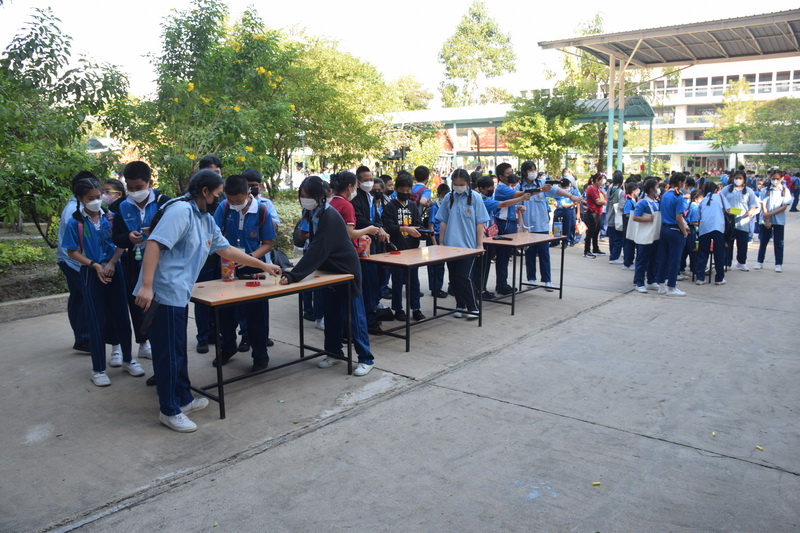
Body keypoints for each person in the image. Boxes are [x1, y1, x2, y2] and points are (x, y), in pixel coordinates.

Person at [134, 170, 280, 433]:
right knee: (168, 354)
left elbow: (226, 249)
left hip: (178, 293)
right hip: (162, 293)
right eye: (217, 194)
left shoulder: (205, 218)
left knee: (178, 351)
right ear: (204, 192)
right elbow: (154, 244)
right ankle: (169, 410)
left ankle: (184, 399)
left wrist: (262, 265)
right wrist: (146, 286)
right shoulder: (181, 211)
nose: (220, 200)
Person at [280, 176, 376, 377]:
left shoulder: (329, 216)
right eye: (302, 195)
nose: (304, 199)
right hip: (328, 271)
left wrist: (293, 275)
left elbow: (318, 249)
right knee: (331, 314)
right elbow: (313, 246)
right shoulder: (312, 212)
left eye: (308, 196)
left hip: (346, 270)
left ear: (320, 196)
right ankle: (333, 353)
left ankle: (366, 358)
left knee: (354, 316)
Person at [63, 177, 144, 387]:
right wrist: (94, 265)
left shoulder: (112, 217)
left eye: (98, 196)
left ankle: (128, 360)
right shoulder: (76, 222)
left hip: (115, 271)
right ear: (80, 198)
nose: (96, 201)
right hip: (91, 274)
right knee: (96, 320)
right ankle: (98, 369)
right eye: (90, 198)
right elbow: (71, 251)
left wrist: (113, 262)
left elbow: (122, 242)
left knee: (122, 317)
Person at [212, 174, 277, 372]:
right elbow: (214, 236)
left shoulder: (262, 210)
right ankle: (228, 347)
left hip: (253, 268)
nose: (234, 204)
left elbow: (267, 244)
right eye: (231, 200)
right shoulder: (223, 208)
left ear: (248, 193)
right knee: (225, 313)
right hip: (227, 266)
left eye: (238, 201)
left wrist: (249, 258)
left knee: (256, 316)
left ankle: (260, 356)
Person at [111, 161, 171, 364]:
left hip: (162, 265)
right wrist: (128, 237)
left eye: (139, 187)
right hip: (133, 265)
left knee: (160, 307)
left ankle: (159, 344)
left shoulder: (165, 203)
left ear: (150, 183)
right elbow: (116, 237)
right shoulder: (119, 207)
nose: (135, 192)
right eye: (130, 188)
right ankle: (144, 343)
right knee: (137, 305)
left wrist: (155, 233)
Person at [331, 170, 387, 334]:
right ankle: (361, 327)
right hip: (349, 253)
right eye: (357, 184)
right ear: (350, 186)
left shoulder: (332, 202)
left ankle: (345, 331)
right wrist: (368, 230)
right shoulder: (347, 205)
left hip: (336, 253)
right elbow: (350, 233)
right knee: (359, 291)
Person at [517, 161, 583, 290]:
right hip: (527, 227)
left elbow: (556, 190)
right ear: (524, 172)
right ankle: (531, 279)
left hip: (542, 226)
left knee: (544, 254)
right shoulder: (519, 187)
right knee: (530, 255)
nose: (533, 172)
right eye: (530, 170)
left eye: (534, 169)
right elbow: (514, 201)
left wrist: (571, 196)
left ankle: (547, 280)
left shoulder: (542, 184)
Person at [435, 169, 490, 318]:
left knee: (464, 276)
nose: (459, 187)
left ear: (468, 183)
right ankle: (460, 305)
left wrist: (479, 245)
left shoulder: (476, 197)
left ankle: (473, 307)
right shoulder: (449, 197)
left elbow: (480, 223)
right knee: (453, 277)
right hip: (450, 245)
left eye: (462, 184)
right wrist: (441, 242)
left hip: (468, 246)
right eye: (456, 184)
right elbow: (443, 221)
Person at [57, 172, 99, 353]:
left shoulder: (82, 208)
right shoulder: (73, 212)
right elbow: (75, 245)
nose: (96, 200)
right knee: (83, 298)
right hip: (74, 262)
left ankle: (83, 337)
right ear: (80, 194)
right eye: (91, 196)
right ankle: (84, 338)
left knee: (78, 298)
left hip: (75, 261)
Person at [382, 173, 425, 321]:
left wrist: (419, 231)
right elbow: (388, 226)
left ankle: (416, 308)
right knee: (398, 281)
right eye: (403, 190)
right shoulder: (390, 206)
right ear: (396, 189)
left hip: (412, 249)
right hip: (397, 250)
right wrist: (403, 229)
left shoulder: (412, 206)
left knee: (414, 281)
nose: (406, 193)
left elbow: (419, 223)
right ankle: (398, 309)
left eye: (408, 191)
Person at [492, 163, 526, 294]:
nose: (512, 175)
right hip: (504, 224)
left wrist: (517, 207)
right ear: (501, 177)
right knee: (503, 255)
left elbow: (509, 205)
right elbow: (520, 194)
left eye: (512, 172)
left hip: (510, 222)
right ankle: (501, 284)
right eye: (508, 173)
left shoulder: (507, 187)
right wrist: (540, 190)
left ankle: (502, 283)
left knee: (506, 256)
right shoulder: (502, 188)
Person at [654, 173, 689, 296]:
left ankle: (661, 285)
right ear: (680, 182)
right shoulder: (678, 197)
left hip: (664, 229)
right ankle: (671, 287)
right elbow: (679, 218)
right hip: (675, 230)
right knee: (674, 260)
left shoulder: (665, 195)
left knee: (663, 258)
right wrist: (684, 232)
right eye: (683, 182)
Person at [720, 170, 760, 271]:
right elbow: (720, 201)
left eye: (740, 178)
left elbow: (753, 204)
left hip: (743, 221)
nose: (738, 180)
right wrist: (725, 210)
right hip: (729, 221)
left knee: (742, 243)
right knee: (728, 243)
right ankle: (727, 263)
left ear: (744, 179)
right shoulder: (727, 189)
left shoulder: (749, 191)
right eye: (736, 178)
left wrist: (751, 211)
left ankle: (741, 262)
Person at [755, 170, 792, 272]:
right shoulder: (765, 190)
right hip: (765, 220)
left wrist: (770, 214)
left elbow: (784, 206)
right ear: (770, 178)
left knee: (779, 243)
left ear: (782, 178)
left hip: (779, 220)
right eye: (773, 179)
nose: (775, 181)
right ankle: (759, 261)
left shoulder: (785, 191)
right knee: (763, 241)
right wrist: (767, 218)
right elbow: (763, 205)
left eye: (777, 179)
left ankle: (778, 263)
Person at [694, 181, 728, 285]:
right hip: (718, 228)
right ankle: (719, 278)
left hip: (704, 229)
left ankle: (700, 278)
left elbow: (698, 217)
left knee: (703, 253)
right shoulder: (720, 197)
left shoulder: (703, 201)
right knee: (719, 253)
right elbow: (728, 210)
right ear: (716, 189)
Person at [632, 178, 661, 293]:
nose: (658, 189)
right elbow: (635, 217)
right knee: (642, 260)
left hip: (654, 235)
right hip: (644, 236)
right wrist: (649, 219)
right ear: (651, 189)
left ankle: (651, 281)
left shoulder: (656, 202)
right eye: (657, 187)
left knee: (654, 259)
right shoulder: (643, 202)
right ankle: (639, 282)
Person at [427, 183, 450, 298]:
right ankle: (435, 289)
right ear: (438, 195)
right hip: (434, 237)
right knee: (434, 266)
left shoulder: (446, 207)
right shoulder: (435, 207)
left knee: (441, 266)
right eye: (443, 195)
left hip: (443, 237)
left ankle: (438, 287)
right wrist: (434, 243)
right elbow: (431, 226)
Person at [583, 174, 606, 258]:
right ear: (596, 180)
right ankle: (587, 250)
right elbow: (598, 201)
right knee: (591, 232)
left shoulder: (598, 189)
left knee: (596, 231)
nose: (603, 182)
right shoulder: (591, 188)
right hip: (593, 212)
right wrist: (608, 202)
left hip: (598, 212)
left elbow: (605, 197)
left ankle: (595, 249)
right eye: (601, 180)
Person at [553, 177, 579, 247]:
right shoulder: (558, 190)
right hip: (559, 209)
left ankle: (566, 242)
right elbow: (555, 198)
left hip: (569, 210)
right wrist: (555, 202)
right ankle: (556, 240)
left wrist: (569, 205)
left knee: (568, 226)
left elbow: (577, 201)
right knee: (557, 225)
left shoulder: (573, 191)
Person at [606, 171, 625, 264]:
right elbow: (621, 206)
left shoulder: (609, 189)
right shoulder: (621, 192)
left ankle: (612, 255)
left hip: (609, 216)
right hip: (617, 218)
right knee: (618, 239)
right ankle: (614, 257)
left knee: (612, 238)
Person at [620, 181, 639, 271]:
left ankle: (629, 261)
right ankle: (627, 263)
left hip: (632, 225)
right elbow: (627, 214)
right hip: (629, 225)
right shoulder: (629, 201)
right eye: (637, 189)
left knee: (631, 245)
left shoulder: (633, 200)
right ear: (633, 190)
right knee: (628, 245)